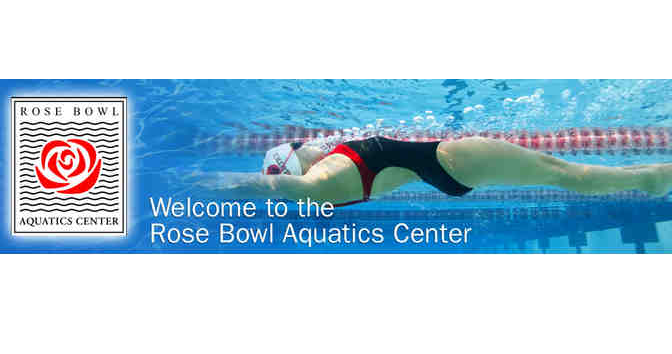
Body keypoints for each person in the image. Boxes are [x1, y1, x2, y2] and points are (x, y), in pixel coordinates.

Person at [204, 136, 672, 206]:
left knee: (560, 172)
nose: (308, 143)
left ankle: (645, 177)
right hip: (450, 159)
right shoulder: (322, 180)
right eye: (298, 146)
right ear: (294, 159)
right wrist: (204, 184)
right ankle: (648, 178)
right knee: (561, 171)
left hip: (445, 170)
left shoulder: (332, 174)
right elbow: (290, 188)